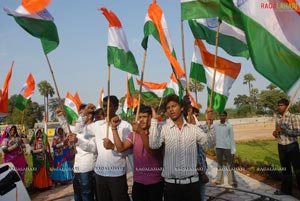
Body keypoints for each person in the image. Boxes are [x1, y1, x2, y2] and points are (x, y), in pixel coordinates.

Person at [70, 95, 131, 201]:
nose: (106, 108)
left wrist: (113, 147)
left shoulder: (125, 126)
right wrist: (84, 113)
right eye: (104, 106)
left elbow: (128, 150)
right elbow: (78, 129)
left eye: (110, 106)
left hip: (117, 174)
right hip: (100, 174)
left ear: (116, 107)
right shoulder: (97, 125)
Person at [149, 94, 207, 201]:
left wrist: (208, 122)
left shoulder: (192, 129)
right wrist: (154, 121)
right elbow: (153, 145)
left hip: (192, 185)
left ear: (181, 108)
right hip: (172, 186)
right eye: (168, 108)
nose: (171, 109)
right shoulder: (164, 129)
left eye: (174, 106)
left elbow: (206, 140)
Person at [107, 104, 164, 201]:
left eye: (144, 117)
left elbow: (152, 151)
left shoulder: (158, 132)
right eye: (139, 117)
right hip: (138, 182)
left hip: (155, 182)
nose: (141, 120)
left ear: (151, 117)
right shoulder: (133, 134)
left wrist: (141, 132)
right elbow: (121, 148)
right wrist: (114, 128)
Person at [56, 104, 96, 201]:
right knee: (77, 195)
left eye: (81, 114)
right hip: (77, 168)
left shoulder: (94, 128)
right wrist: (60, 116)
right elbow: (67, 128)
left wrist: (77, 141)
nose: (79, 118)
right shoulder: (79, 129)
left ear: (89, 116)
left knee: (87, 195)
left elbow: (93, 148)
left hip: (87, 167)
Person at [272, 98, 300, 195]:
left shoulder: (294, 117)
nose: (279, 107)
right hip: (281, 146)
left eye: (282, 105)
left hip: (292, 146)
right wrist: (275, 133)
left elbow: (297, 132)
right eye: (278, 105)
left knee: (297, 170)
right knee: (285, 169)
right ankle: (286, 190)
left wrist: (286, 129)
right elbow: (276, 132)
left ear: (287, 106)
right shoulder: (278, 118)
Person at [214, 110, 237, 187]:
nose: (222, 117)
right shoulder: (216, 125)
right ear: (219, 116)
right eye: (221, 115)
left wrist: (233, 150)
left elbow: (232, 138)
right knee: (219, 164)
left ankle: (232, 181)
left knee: (229, 165)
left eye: (224, 115)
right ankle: (219, 180)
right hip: (218, 147)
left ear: (226, 116)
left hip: (227, 148)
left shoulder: (229, 126)